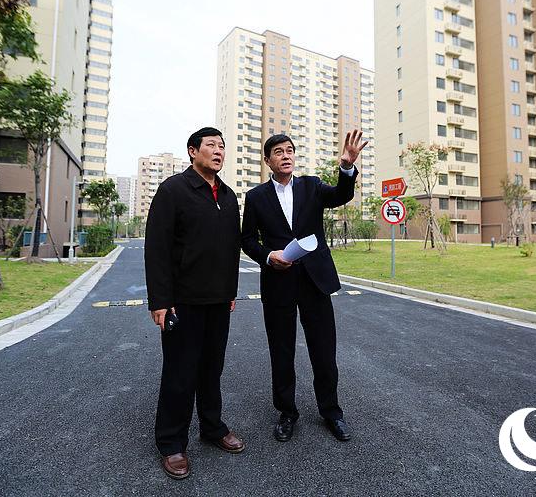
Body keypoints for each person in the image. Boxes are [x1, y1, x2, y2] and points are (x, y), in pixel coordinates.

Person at [241, 129, 368, 442]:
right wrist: (268, 256)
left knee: (324, 350)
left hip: (314, 280)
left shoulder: (312, 185)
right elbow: (247, 240)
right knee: (281, 351)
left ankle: (331, 412)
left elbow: (341, 195)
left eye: (289, 150)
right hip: (278, 281)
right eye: (278, 152)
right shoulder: (256, 197)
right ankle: (287, 412)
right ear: (267, 160)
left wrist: (347, 168)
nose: (286, 156)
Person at [144, 127, 244, 480]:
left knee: (211, 370)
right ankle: (171, 442)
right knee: (180, 373)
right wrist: (160, 300)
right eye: (211, 145)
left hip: (218, 300)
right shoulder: (173, 190)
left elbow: (231, 248)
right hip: (182, 303)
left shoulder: (228, 196)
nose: (218, 151)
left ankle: (212, 428)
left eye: (222, 146)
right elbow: (156, 248)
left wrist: (230, 292)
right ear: (192, 151)